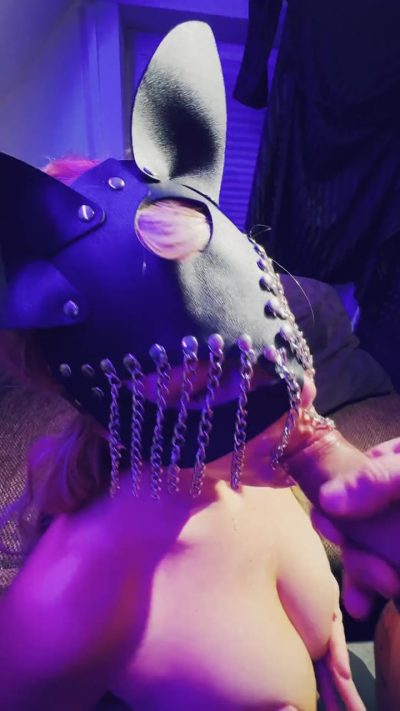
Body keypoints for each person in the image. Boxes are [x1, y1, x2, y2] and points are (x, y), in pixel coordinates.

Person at [0, 21, 367, 710]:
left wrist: (332, 643)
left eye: (272, 352)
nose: (297, 403)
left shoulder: (253, 472)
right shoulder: (63, 606)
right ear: (106, 396)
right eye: (207, 377)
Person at [235, 0, 400, 390]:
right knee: (272, 272)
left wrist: (253, 76)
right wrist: (253, 72)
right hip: (321, 81)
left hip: (370, 99)